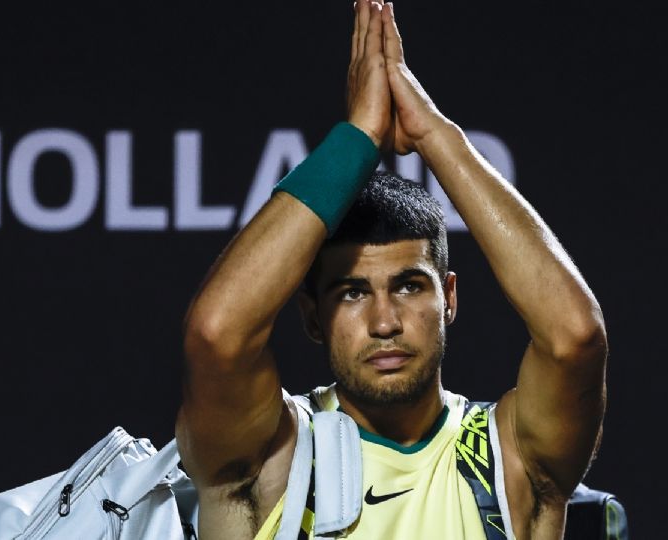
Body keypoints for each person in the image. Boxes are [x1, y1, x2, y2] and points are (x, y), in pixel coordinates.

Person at [176, 1, 608, 539]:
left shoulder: (510, 462)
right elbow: (216, 334)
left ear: (449, 297)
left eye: (408, 286)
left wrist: (434, 137)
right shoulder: (271, 457)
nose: (385, 322)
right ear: (312, 315)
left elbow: (576, 337)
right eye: (352, 293)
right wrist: (359, 137)